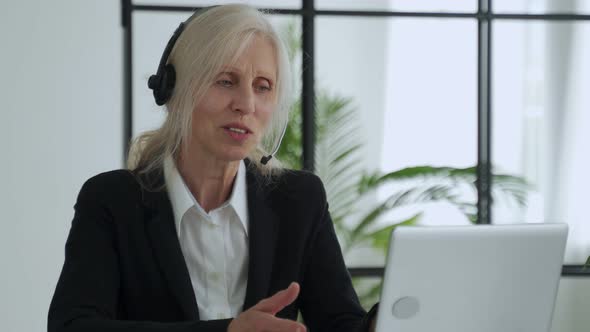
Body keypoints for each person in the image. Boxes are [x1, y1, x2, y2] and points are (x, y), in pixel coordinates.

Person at [48, 4, 377, 332]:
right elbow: (73, 326)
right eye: (225, 81)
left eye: (262, 86)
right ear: (175, 88)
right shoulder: (111, 200)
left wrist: (387, 319)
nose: (246, 104)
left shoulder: (300, 200)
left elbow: (341, 325)